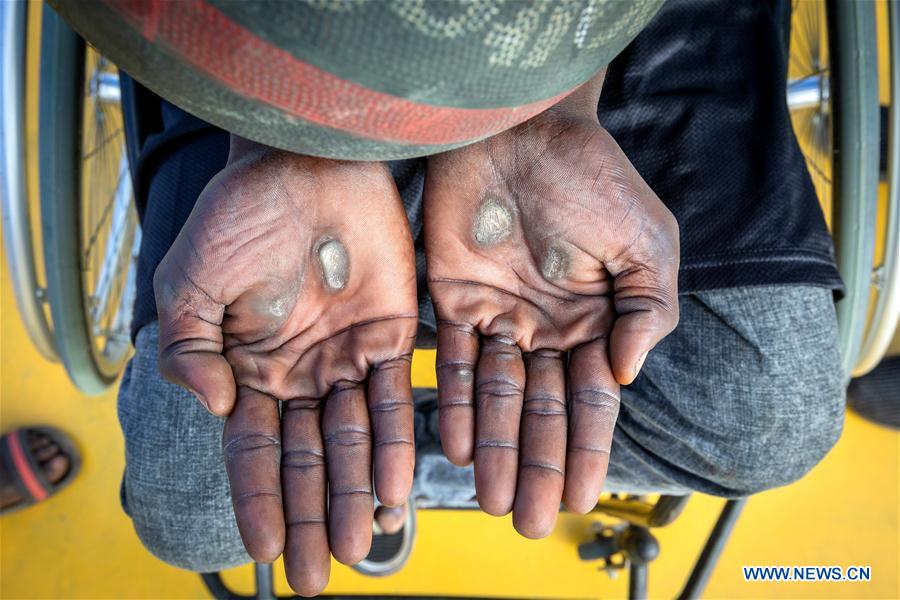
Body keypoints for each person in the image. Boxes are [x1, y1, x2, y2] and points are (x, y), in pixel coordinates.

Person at [96, 0, 845, 596]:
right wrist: (281, 141)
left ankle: (411, 467)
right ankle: (416, 466)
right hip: (258, 79)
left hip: (610, 39)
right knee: (190, 508)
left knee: (773, 420)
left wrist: (548, 112)